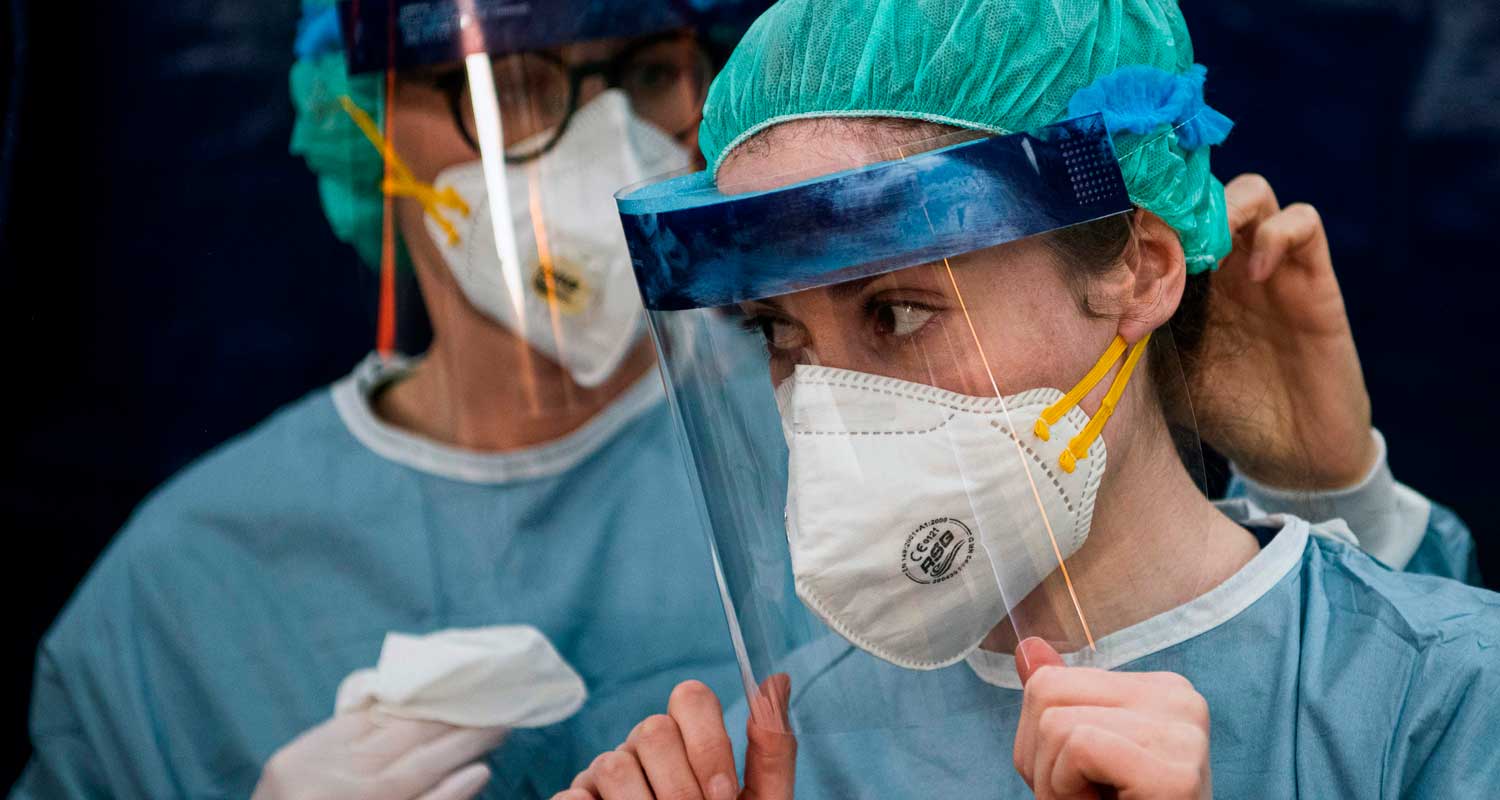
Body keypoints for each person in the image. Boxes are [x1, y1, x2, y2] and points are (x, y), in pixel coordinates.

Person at [555, 0, 1499, 797]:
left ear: (1141, 270)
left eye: (898, 311)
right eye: (777, 332)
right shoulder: (783, 747)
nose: (830, 406)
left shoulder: (1446, 698)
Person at [13, 2, 771, 797]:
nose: (606, 142)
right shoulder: (185, 591)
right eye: (510, 85)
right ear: (364, 119)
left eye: (650, 73)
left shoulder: (814, 443)